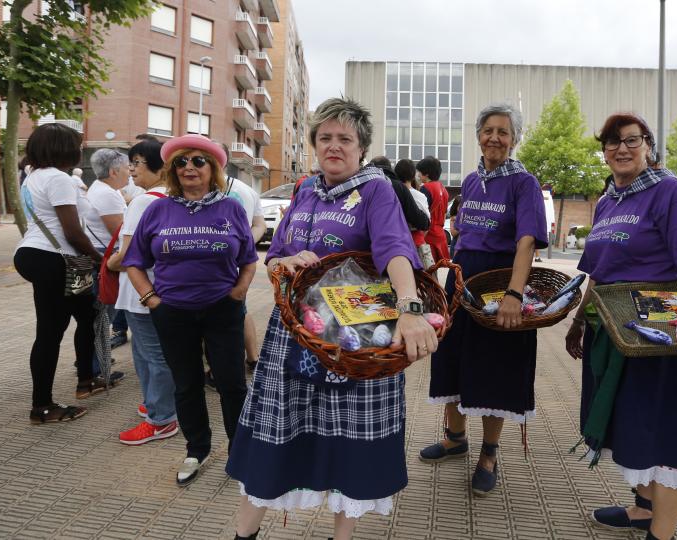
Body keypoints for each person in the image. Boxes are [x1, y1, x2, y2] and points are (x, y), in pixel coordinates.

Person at [227, 97, 438, 540]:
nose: (334, 146)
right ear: (314, 145)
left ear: (361, 147)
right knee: (278, 432)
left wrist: (410, 309)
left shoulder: (376, 189)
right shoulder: (304, 190)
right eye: (325, 138)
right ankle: (243, 534)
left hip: (355, 339)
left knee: (352, 444)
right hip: (294, 336)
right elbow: (275, 259)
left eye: (345, 138)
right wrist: (286, 263)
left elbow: (396, 250)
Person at [565, 113, 677, 540]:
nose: (621, 148)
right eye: (612, 142)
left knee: (661, 433)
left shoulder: (670, 192)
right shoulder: (608, 201)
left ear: (648, 146)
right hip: (614, 334)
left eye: (631, 140)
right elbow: (598, 273)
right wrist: (578, 321)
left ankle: (662, 533)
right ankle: (643, 508)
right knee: (630, 426)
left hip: (659, 337)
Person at [420, 103, 548, 498]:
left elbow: (527, 240)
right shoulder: (472, 181)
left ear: (514, 139)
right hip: (462, 281)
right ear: (478, 134)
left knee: (496, 368)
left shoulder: (524, 182)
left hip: (500, 284)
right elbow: (461, 232)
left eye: (503, 132)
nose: (495, 137)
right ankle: (455, 438)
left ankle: (489, 454)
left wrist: (514, 293)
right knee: (453, 359)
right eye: (488, 130)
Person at [123, 134, 258, 485]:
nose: (189, 167)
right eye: (181, 162)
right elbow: (134, 262)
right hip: (173, 313)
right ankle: (197, 448)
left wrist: (239, 293)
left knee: (231, 384)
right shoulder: (157, 209)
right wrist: (151, 300)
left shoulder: (230, 208)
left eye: (198, 161)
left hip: (222, 310)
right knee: (186, 385)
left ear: (212, 168)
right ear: (172, 169)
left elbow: (248, 259)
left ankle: (240, 451)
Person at [14, 123, 103, 423]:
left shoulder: (32, 177)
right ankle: (42, 406)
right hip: (56, 260)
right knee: (50, 332)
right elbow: (73, 232)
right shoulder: (59, 178)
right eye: (76, 145)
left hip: (41, 256)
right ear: (62, 148)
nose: (79, 150)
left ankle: (87, 379)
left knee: (85, 315)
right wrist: (98, 257)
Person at [107, 138, 179, 446]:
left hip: (140, 293)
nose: (131, 169)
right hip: (162, 288)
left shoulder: (143, 202)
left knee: (152, 356)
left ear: (158, 166)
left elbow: (127, 257)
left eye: (136, 163)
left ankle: (162, 418)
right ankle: (156, 404)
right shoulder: (176, 198)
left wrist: (108, 263)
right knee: (153, 353)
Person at [83, 148, 129, 389]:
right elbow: (120, 233)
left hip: (98, 258)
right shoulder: (107, 195)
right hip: (104, 260)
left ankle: (90, 362)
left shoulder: (103, 190)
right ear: (113, 171)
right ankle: (95, 370)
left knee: (98, 317)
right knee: (102, 317)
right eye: (127, 168)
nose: (130, 173)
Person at [221, 144, 267, 371]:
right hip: (239, 262)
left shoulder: (207, 190)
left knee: (228, 314)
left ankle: (222, 365)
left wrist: (241, 246)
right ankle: (253, 357)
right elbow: (260, 225)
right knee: (241, 309)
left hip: (224, 265)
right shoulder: (247, 189)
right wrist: (246, 244)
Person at [417, 155, 450, 263]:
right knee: (434, 270)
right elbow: (444, 214)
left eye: (419, 172)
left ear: (426, 173)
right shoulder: (443, 189)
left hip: (428, 235)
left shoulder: (425, 188)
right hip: (440, 234)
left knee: (426, 272)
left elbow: (422, 214)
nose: (418, 175)